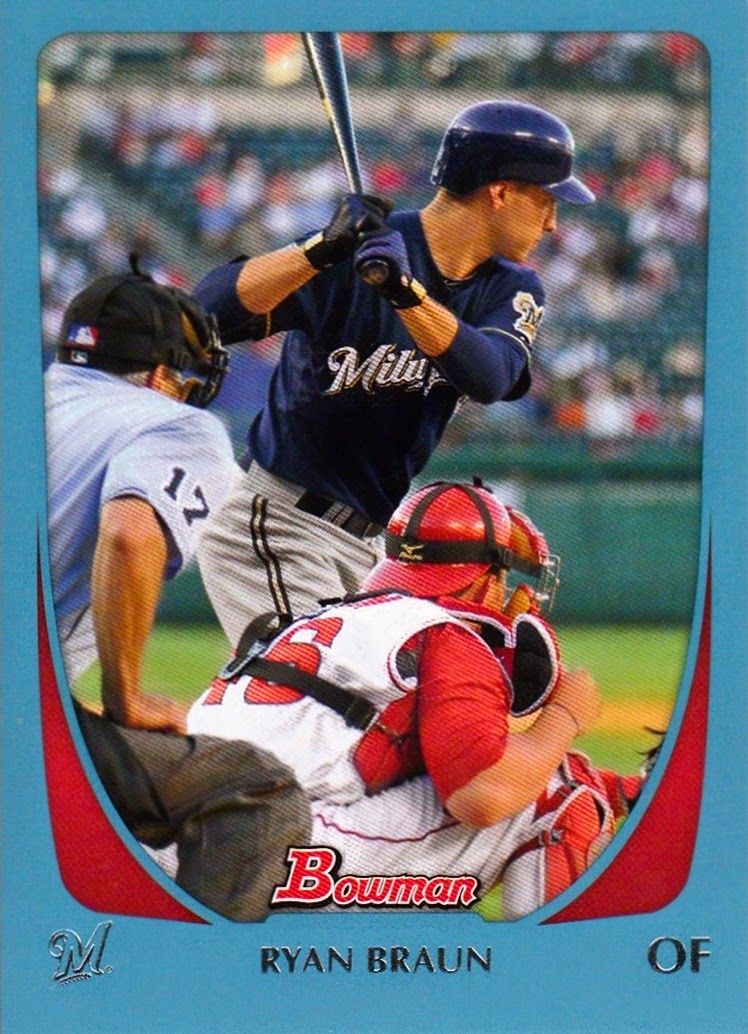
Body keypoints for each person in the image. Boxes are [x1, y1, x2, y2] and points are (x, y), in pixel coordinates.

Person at [192, 100, 596, 647]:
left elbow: (490, 377)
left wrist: (405, 295)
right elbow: (205, 314)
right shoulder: (356, 252)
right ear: (500, 192)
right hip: (281, 520)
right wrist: (318, 250)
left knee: (384, 695)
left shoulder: (511, 286)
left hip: (373, 544)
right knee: (321, 685)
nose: (552, 223)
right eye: (546, 201)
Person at [186, 479, 642, 918]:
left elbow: (421, 761)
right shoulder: (445, 634)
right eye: (503, 577)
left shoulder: (328, 619)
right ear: (485, 577)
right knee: (562, 788)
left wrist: (623, 789)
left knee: (524, 770)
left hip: (178, 844)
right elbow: (483, 796)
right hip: (276, 859)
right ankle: (547, 966)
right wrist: (565, 716)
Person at [44, 260, 310, 921]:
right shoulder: (176, 424)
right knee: (253, 787)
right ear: (162, 374)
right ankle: (201, 979)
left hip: (31, 711)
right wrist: (124, 698)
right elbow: (130, 535)